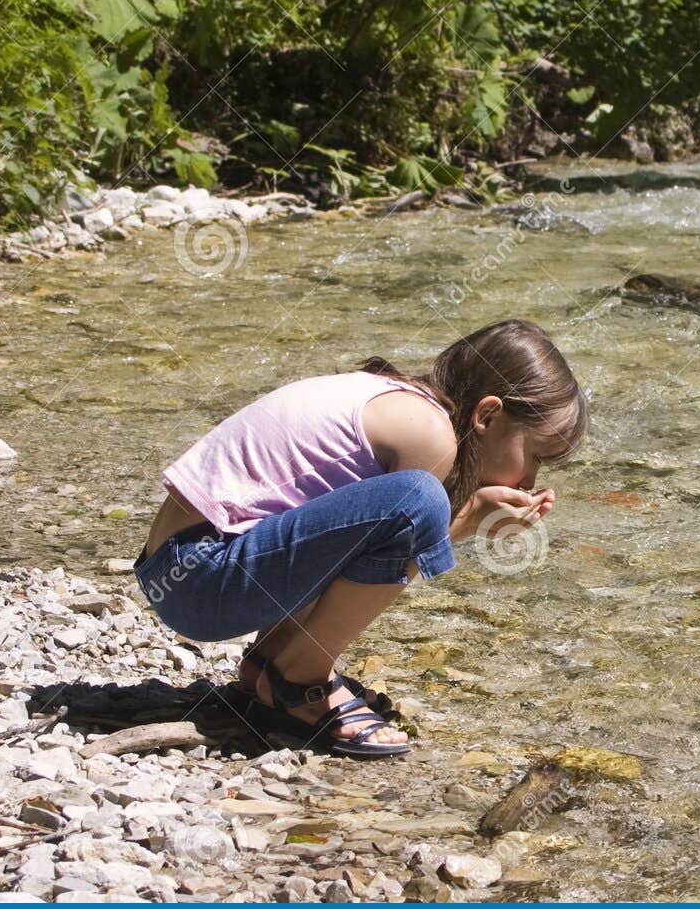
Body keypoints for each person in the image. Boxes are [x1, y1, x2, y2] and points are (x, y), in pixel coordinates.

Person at [132, 319, 586, 757]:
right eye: (536, 455)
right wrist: (468, 519)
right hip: (201, 581)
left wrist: (469, 516)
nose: (531, 476)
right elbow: (405, 539)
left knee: (398, 509)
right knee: (420, 499)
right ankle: (299, 682)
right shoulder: (431, 436)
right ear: (487, 414)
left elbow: (343, 541)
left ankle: (267, 667)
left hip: (177, 566)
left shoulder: (397, 398)